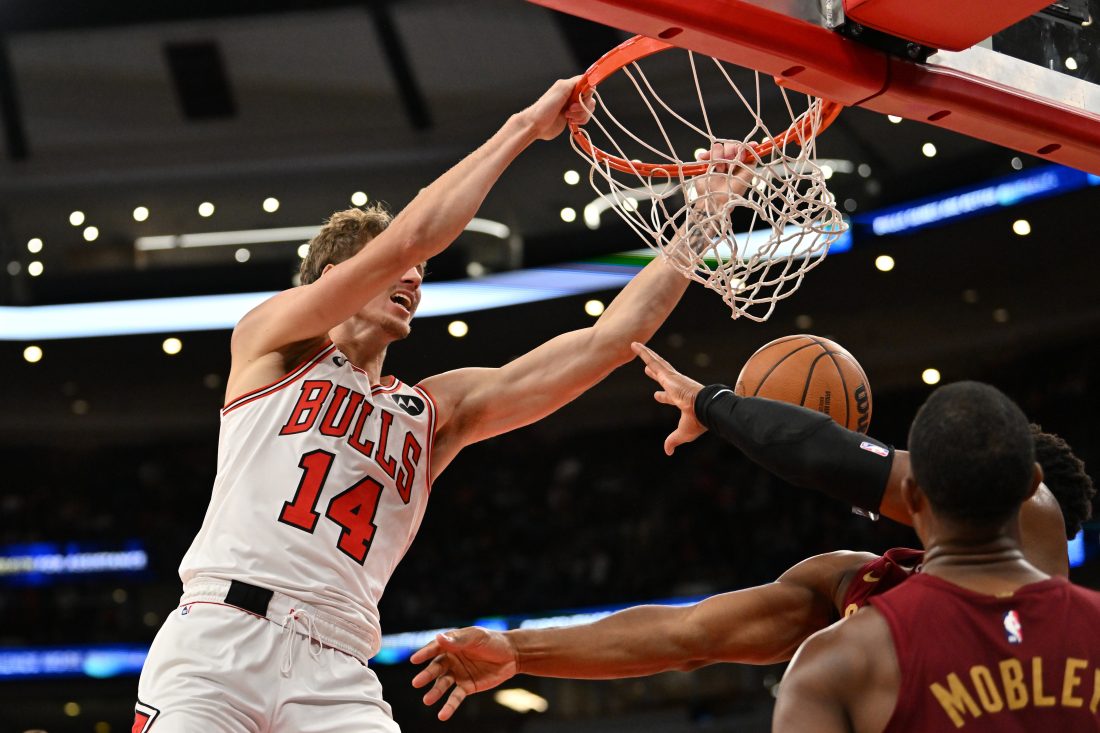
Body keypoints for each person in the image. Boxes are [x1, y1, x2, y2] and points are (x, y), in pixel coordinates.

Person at [133, 79, 747, 733]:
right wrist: (523, 126)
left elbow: (603, 345)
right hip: (220, 642)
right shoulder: (273, 345)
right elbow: (409, 240)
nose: (415, 279)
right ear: (336, 278)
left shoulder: (433, 411)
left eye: (422, 277)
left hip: (337, 670)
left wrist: (702, 221)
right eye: (400, 270)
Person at [409, 343, 1093, 722]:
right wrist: (518, 649)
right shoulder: (856, 586)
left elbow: (827, 455)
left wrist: (714, 403)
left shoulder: (1034, 533)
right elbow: (688, 635)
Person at [773, 381, 1100, 731]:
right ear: (1034, 484)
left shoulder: (832, 663)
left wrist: (715, 405)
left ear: (911, 496)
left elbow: (706, 632)